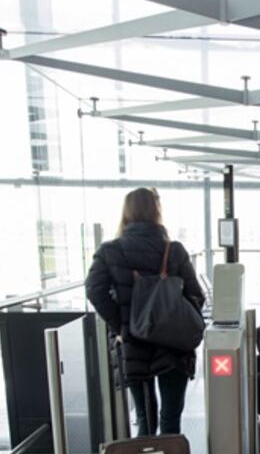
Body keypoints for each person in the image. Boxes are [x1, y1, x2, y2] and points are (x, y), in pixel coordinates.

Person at [86, 187, 205, 436]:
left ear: (126, 213)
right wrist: (177, 318)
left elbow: (95, 291)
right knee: (170, 418)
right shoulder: (174, 250)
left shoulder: (110, 251)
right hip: (174, 345)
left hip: (133, 345)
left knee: (144, 419)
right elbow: (196, 295)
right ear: (156, 211)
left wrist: (121, 326)